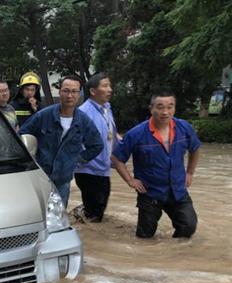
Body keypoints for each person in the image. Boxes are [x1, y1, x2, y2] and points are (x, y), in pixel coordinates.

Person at [111, 90, 200, 238]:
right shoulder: (136, 134)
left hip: (177, 189)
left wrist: (190, 173)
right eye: (160, 107)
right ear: (151, 108)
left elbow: (195, 149)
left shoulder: (184, 128)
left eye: (170, 107)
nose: (165, 112)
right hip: (150, 192)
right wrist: (130, 180)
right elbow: (116, 158)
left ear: (174, 108)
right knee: (145, 236)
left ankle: (174, 255)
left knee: (188, 226)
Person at [19, 75, 103, 206]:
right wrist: (32, 156)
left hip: (62, 180)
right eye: (66, 90)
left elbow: (97, 145)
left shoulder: (83, 121)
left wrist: (76, 160)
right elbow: (22, 134)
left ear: (79, 94)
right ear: (59, 92)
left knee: (58, 218)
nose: (70, 95)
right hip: (40, 177)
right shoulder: (44, 115)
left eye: (74, 91)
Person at [73, 73, 119, 222]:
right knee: (95, 214)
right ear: (93, 91)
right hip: (88, 170)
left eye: (109, 86)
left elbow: (110, 133)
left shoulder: (106, 108)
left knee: (98, 209)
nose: (110, 89)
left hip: (103, 167)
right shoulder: (84, 112)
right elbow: (75, 141)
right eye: (105, 86)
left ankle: (80, 212)